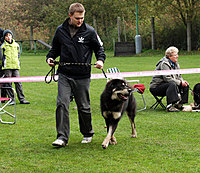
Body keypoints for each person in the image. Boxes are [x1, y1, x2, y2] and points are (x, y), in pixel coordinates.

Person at [46, 3, 106, 147]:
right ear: (70, 16)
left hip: (82, 76)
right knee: (62, 103)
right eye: (77, 18)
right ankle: (62, 137)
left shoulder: (90, 31)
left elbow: (100, 50)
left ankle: (87, 132)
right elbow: (54, 50)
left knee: (84, 106)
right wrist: (50, 58)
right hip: (65, 74)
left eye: (82, 18)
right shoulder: (60, 31)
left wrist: (100, 60)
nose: (80, 21)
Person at [149, 46, 189, 112]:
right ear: (170, 56)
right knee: (172, 84)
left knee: (185, 84)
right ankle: (170, 106)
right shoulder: (164, 63)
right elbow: (167, 78)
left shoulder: (176, 63)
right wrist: (179, 82)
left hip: (168, 85)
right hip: (156, 87)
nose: (177, 56)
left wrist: (182, 81)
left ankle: (179, 104)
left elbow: (179, 76)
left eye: (177, 54)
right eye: (175, 55)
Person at [0, 29, 30, 105]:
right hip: (7, 68)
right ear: (4, 37)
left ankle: (22, 99)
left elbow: (18, 55)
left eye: (9, 35)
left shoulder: (16, 45)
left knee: (18, 83)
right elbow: (1, 58)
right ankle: (11, 99)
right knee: (8, 83)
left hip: (16, 67)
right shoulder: (2, 46)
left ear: (12, 36)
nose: (8, 37)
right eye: (6, 36)